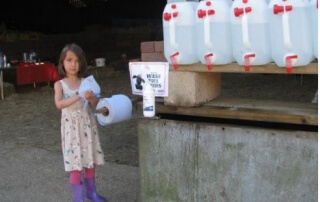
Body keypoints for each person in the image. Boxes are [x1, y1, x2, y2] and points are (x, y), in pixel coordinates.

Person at [54, 43, 106, 202]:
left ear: (81, 63)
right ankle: (78, 198)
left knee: (90, 160)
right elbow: (59, 104)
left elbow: (96, 105)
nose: (73, 64)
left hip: (87, 126)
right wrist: (79, 95)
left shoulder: (87, 82)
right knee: (75, 163)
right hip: (71, 129)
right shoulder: (60, 84)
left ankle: (91, 193)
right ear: (62, 62)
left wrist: (90, 97)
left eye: (77, 61)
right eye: (69, 60)